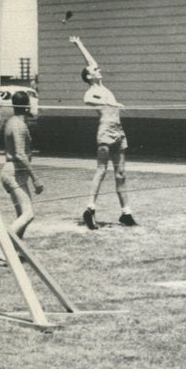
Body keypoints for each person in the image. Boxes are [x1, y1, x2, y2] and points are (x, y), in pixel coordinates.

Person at [69, 35, 137, 229]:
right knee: (101, 170)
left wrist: (79, 44)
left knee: (121, 174)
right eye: (95, 70)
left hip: (119, 131)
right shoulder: (91, 92)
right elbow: (87, 101)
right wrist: (110, 103)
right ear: (90, 76)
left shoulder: (103, 86)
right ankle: (89, 209)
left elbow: (90, 61)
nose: (98, 70)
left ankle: (126, 213)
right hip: (105, 131)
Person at [0, 91, 44, 239]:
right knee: (28, 214)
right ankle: (2, 244)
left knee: (22, 215)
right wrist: (35, 178)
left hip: (14, 172)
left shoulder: (12, 122)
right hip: (14, 173)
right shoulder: (18, 125)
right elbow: (20, 154)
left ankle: (12, 251)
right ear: (27, 105)